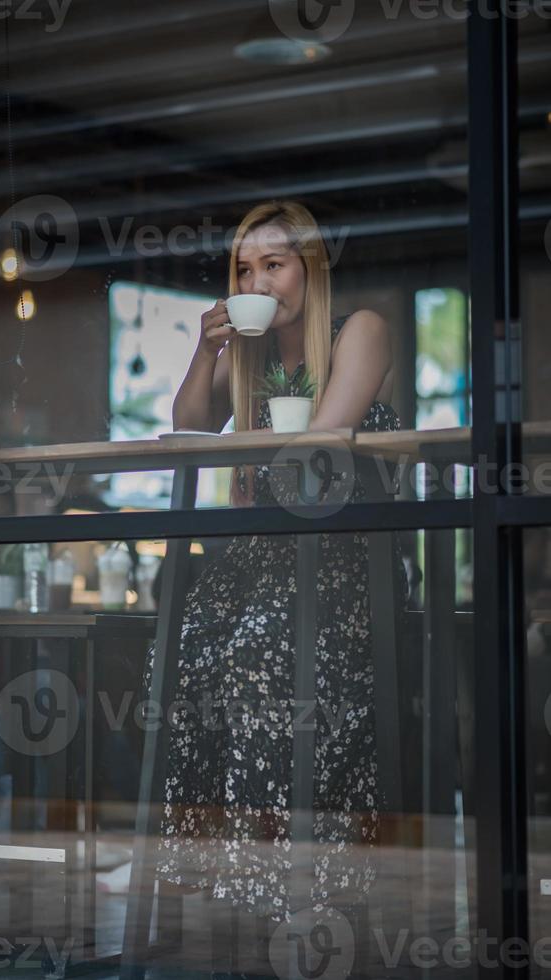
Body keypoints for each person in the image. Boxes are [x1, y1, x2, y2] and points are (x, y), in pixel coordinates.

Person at [141, 200, 408, 976]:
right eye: (245, 270)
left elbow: (323, 446)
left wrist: (255, 430)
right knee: (189, 659)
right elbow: (189, 427)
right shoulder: (248, 361)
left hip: (338, 557)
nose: (259, 281)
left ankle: (280, 884)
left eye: (275, 265)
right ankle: (215, 875)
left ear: (310, 269)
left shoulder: (359, 330)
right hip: (257, 558)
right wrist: (206, 351)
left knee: (262, 657)